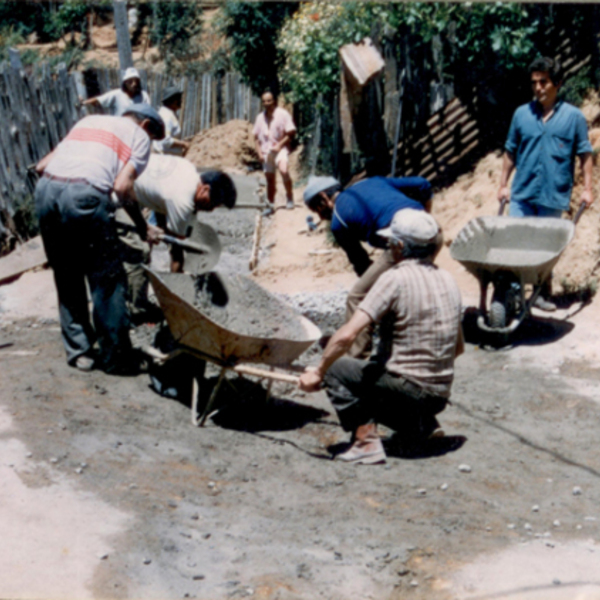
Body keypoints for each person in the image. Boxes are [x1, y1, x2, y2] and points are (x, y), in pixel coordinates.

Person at [299, 209, 463, 465]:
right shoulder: (448, 279)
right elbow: (458, 348)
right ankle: (422, 425)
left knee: (337, 368)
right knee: (378, 365)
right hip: (438, 397)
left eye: (390, 244)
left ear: (398, 246)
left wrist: (320, 371)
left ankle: (365, 443)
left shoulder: (394, 279)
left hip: (410, 396)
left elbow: (347, 336)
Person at [34, 104, 165, 374]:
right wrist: (143, 226)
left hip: (46, 191)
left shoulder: (88, 121)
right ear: (146, 126)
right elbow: (122, 186)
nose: (150, 143)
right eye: (153, 137)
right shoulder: (139, 137)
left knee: (67, 274)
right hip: (84, 195)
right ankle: (116, 357)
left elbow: (41, 166)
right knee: (107, 279)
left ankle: (80, 352)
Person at [497, 56, 593, 311]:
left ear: (558, 83)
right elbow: (510, 151)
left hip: (553, 194)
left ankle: (540, 293)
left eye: (544, 82)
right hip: (522, 193)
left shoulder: (574, 118)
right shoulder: (521, 115)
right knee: (515, 243)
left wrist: (587, 189)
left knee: (545, 248)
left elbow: (585, 154)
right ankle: (513, 293)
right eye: (534, 83)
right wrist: (503, 184)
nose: (538, 87)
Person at [303, 174, 433, 358]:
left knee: (357, 297)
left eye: (317, 209)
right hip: (433, 233)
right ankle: (398, 342)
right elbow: (422, 183)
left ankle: (356, 359)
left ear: (324, 198)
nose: (320, 216)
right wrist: (425, 220)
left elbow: (361, 263)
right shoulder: (372, 181)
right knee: (398, 286)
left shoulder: (338, 220)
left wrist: (378, 296)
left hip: (402, 244)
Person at [132, 154, 236, 272]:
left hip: (135, 175)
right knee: (138, 254)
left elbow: (163, 196)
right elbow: (177, 245)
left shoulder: (188, 168)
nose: (211, 210)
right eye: (213, 204)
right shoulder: (183, 201)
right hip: (120, 191)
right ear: (205, 189)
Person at [253, 89, 296, 215]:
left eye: (269, 101)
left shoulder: (283, 114)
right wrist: (259, 153)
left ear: (274, 101)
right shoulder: (260, 118)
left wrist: (280, 145)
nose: (266, 103)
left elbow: (291, 133)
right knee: (270, 180)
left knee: (284, 170)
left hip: (280, 149)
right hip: (266, 151)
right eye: (264, 101)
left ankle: (289, 196)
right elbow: (255, 137)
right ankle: (270, 205)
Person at [82, 67, 151, 116]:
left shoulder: (143, 96)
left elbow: (148, 112)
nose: (134, 84)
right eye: (130, 81)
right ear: (125, 83)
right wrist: (84, 102)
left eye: (136, 81)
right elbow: (99, 100)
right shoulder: (117, 94)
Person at [153, 86, 190, 156]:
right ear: (172, 100)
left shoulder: (168, 113)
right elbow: (166, 141)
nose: (181, 101)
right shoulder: (166, 116)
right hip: (165, 159)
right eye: (179, 98)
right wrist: (183, 144)